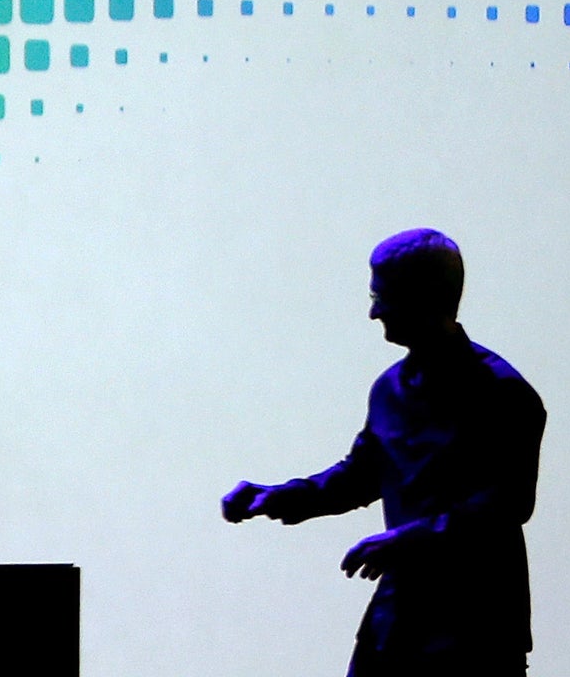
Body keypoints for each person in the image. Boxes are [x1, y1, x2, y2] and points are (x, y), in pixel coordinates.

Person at [224, 229, 546, 677]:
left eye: (384, 295)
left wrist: (405, 541)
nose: (374, 312)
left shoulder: (504, 394)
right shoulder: (389, 389)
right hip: (398, 619)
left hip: (477, 630)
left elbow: (505, 505)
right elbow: (360, 476)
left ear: (426, 297)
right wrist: (279, 496)